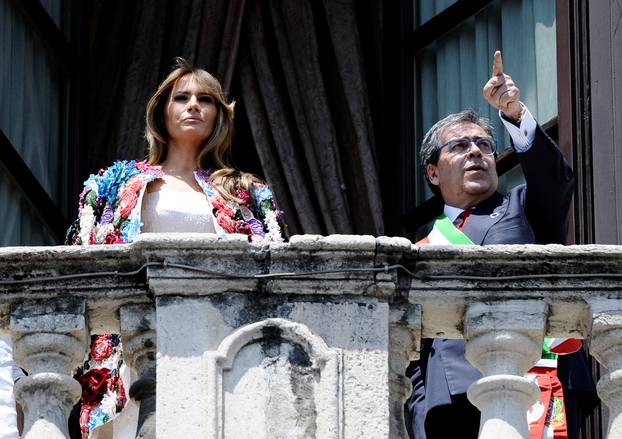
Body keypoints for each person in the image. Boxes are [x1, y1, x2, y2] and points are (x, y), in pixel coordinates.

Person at [65, 58, 285, 438]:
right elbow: (80, 262)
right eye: (182, 97)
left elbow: (275, 271)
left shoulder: (245, 193)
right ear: (161, 111)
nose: (194, 105)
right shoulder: (114, 186)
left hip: (218, 339)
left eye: (206, 99)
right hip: (134, 345)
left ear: (219, 114)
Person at [406, 51, 596, 439]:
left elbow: (556, 181)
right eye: (459, 146)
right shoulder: (423, 247)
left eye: (484, 145)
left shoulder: (523, 207)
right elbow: (413, 357)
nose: (475, 151)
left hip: (533, 383)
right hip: (450, 403)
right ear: (433, 171)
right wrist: (420, 411)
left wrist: (513, 113)